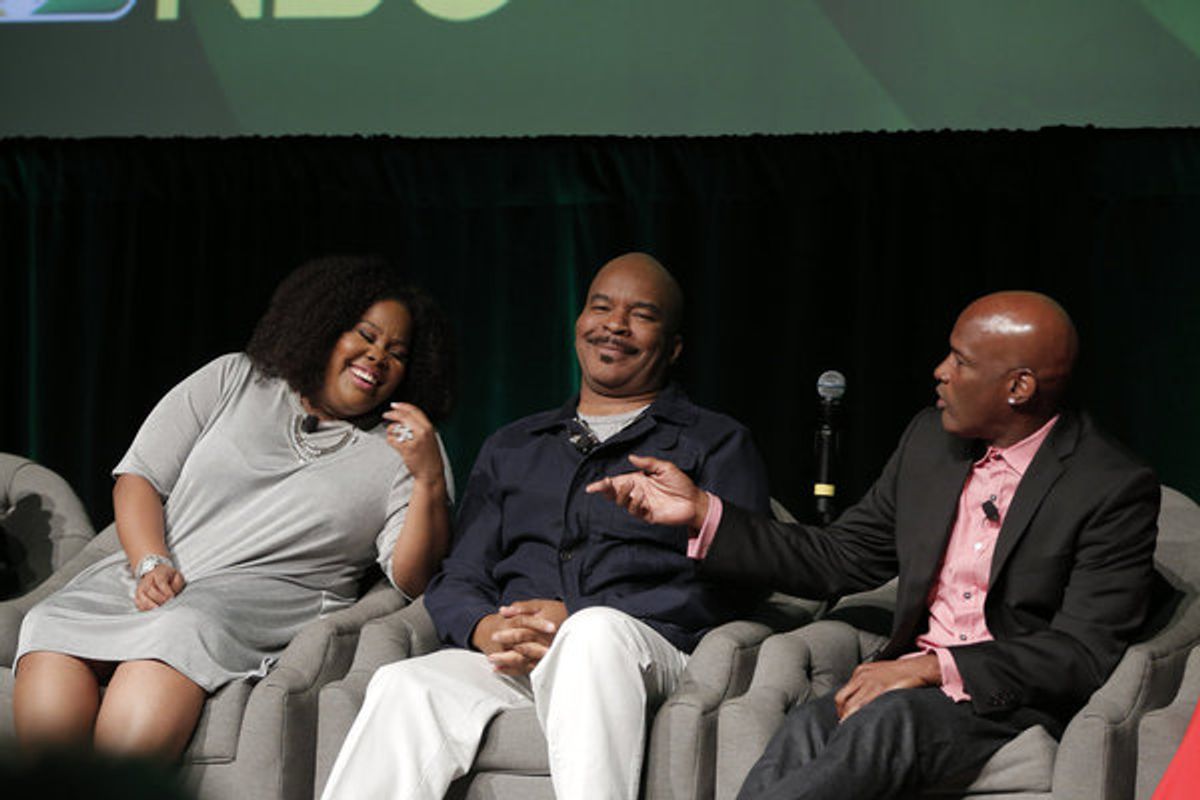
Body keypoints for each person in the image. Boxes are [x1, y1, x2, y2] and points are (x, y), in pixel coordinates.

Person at [589, 290, 1160, 800]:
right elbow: (839, 557)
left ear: (1019, 387)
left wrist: (935, 668)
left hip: (1003, 698)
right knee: (809, 726)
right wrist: (701, 512)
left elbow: (1083, 652)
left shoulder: (1109, 486)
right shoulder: (930, 443)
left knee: (888, 723)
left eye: (960, 361)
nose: (940, 372)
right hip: (902, 685)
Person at [321, 252, 770, 800]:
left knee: (592, 635)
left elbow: (743, 579)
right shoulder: (514, 446)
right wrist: (486, 628)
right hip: (520, 656)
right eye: (600, 306)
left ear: (672, 347)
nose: (614, 323)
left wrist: (575, 617)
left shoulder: (716, 442)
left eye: (641, 314)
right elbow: (460, 575)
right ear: (579, 323)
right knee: (404, 684)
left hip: (648, 650)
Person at [13, 254, 456, 760]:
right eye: (365, 334)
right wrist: (150, 562)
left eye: (397, 353)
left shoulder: (406, 446)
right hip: (154, 579)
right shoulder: (234, 378)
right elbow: (139, 478)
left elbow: (412, 578)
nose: (377, 356)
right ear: (324, 326)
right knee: (52, 623)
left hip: (249, 608)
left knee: (180, 631)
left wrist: (427, 480)